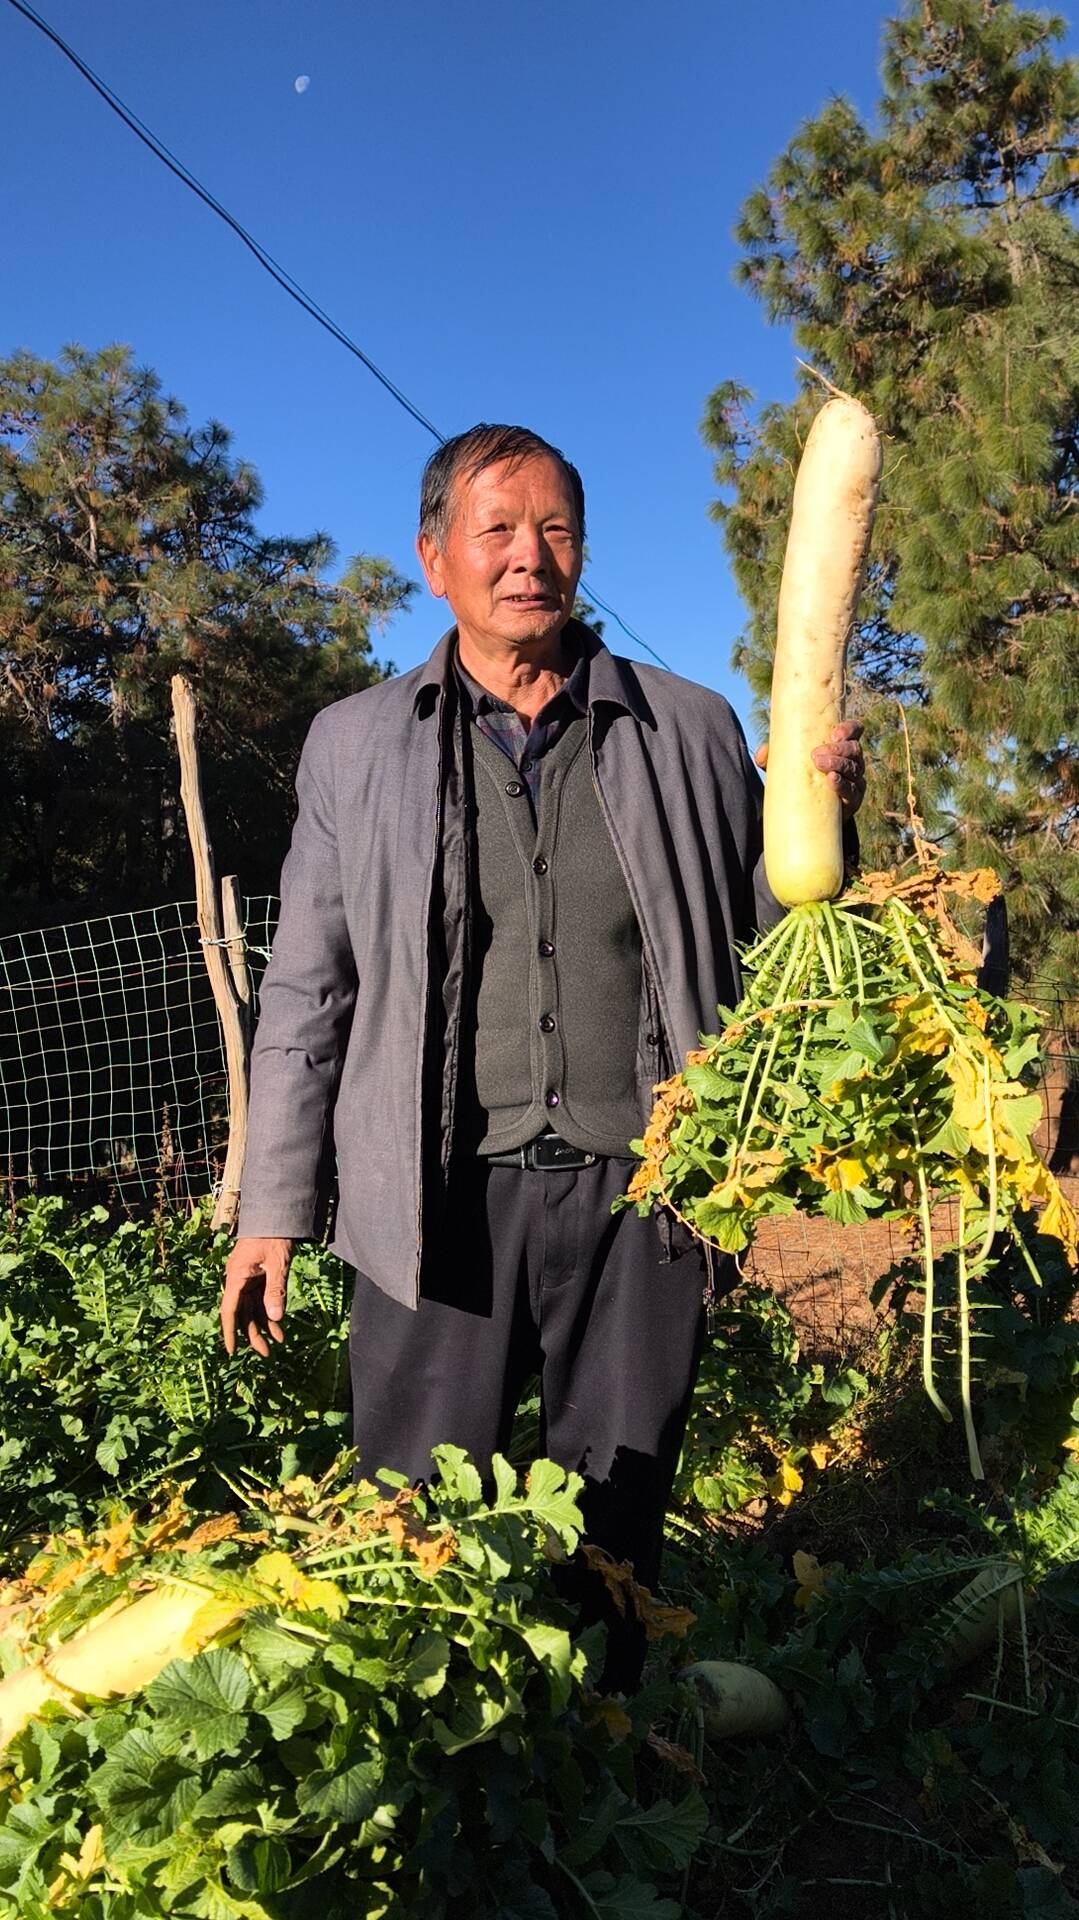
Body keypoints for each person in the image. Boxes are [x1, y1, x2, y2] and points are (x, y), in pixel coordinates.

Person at [220, 423, 864, 1688]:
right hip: (432, 1201)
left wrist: (828, 808)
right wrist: (273, 1209)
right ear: (434, 560)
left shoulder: (689, 728)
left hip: (642, 1197)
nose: (531, 557)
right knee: (410, 1519)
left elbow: (777, 931)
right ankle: (434, 1759)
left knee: (614, 1521)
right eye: (498, 530)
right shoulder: (356, 743)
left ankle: (597, 1748)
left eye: (557, 530)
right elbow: (307, 990)